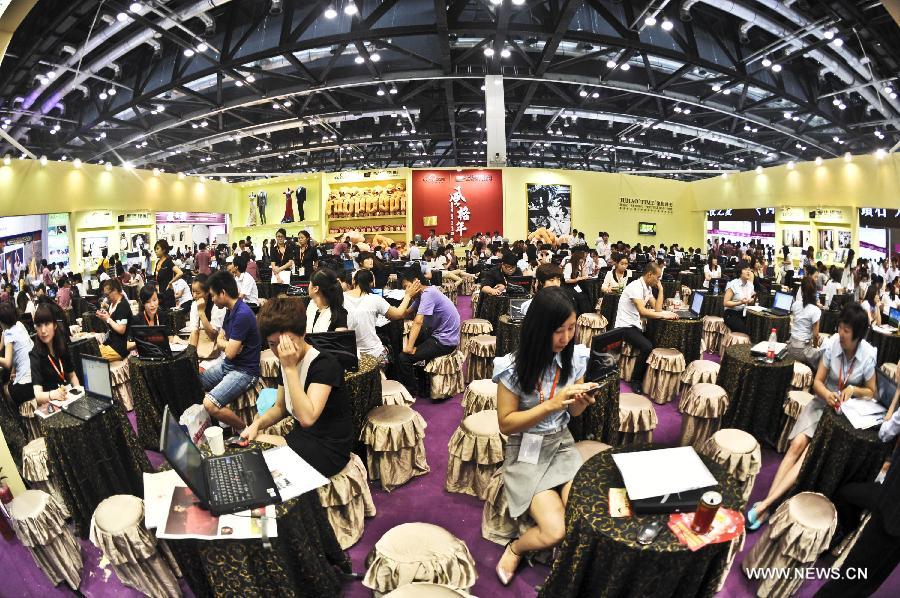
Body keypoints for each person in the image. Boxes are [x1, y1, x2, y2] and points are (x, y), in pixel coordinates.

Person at [493, 286, 598, 585]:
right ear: (539, 330)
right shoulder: (512, 368)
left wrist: (579, 403)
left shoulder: (574, 358)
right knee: (555, 531)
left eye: (571, 328)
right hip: (526, 451)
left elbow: (573, 415)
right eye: (558, 331)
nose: (565, 338)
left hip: (561, 445)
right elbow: (506, 424)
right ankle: (515, 548)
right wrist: (550, 404)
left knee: (583, 513)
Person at [747, 304, 877, 531]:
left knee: (808, 452)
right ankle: (769, 502)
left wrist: (854, 391)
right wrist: (827, 395)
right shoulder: (831, 345)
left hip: (844, 417)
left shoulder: (868, 355)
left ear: (858, 334)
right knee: (796, 444)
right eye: (840, 327)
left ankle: (765, 505)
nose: (840, 333)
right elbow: (817, 382)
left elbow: (871, 391)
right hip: (821, 404)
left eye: (846, 330)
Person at [241, 297, 353, 477]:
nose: (280, 350)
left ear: (303, 333)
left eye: (287, 341)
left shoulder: (324, 364)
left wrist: (290, 369)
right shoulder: (285, 361)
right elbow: (280, 407)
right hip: (303, 437)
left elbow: (307, 418)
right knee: (252, 447)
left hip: (329, 447)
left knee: (257, 456)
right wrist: (257, 424)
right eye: (272, 344)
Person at [200, 271, 261, 431]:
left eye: (213, 296)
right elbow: (220, 340)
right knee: (195, 383)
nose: (212, 300)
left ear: (223, 293)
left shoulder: (242, 314)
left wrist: (226, 344)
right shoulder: (230, 310)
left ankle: (245, 430)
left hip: (245, 371)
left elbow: (230, 353)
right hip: (229, 366)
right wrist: (226, 343)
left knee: (209, 404)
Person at [613, 262, 677, 390]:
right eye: (658, 277)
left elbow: (657, 309)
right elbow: (642, 311)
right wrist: (664, 315)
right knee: (647, 346)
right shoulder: (635, 287)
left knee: (655, 339)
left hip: (636, 324)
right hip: (624, 326)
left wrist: (661, 289)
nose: (658, 280)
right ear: (649, 275)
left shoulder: (647, 288)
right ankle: (635, 380)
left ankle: (650, 376)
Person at [397, 267, 461, 394]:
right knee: (414, 339)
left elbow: (418, 321)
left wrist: (409, 347)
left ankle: (410, 391)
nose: (406, 290)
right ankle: (423, 384)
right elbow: (406, 313)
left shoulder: (428, 294)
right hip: (439, 335)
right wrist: (407, 297)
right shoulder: (422, 294)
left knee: (404, 357)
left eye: (407, 286)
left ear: (416, 281)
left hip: (445, 341)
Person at [344, 269, 418, 362]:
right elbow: (398, 314)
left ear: (354, 281)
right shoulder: (375, 299)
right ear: (372, 283)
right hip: (373, 353)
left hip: (349, 354)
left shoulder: (340, 298)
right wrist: (408, 295)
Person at [29, 304, 80, 406]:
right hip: (51, 404)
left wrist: (79, 392)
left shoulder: (62, 345)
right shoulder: (35, 355)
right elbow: (37, 395)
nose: (43, 331)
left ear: (55, 325)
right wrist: (53, 394)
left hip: (67, 398)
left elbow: (72, 375)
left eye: (47, 324)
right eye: (39, 326)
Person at [0, 302, 34, 406]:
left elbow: (7, 363)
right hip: (38, 375)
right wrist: (13, 373)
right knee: (9, 379)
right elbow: (18, 353)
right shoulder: (19, 325)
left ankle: (15, 418)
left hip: (28, 385)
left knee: (5, 389)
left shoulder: (9, 334)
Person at [786, 277, 822, 368]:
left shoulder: (795, 305)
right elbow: (815, 336)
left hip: (790, 346)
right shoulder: (816, 310)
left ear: (801, 290)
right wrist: (815, 347)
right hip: (803, 350)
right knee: (825, 356)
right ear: (815, 293)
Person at [96, 279, 132, 361]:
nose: (107, 297)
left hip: (119, 348)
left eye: (107, 295)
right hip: (111, 343)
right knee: (91, 350)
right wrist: (104, 318)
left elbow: (121, 329)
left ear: (115, 290)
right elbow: (111, 326)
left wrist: (108, 318)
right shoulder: (112, 304)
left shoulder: (123, 305)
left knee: (93, 356)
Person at [187, 275, 226, 348]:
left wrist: (201, 313)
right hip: (202, 345)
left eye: (198, 293)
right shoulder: (195, 304)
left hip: (217, 347)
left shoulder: (217, 305)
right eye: (193, 291)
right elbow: (194, 331)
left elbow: (213, 335)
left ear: (207, 292)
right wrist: (192, 354)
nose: (194, 296)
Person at [722, 264, 757, 334]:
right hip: (731, 314)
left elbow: (752, 300)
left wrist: (752, 301)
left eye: (749, 270)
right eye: (746, 269)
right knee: (745, 331)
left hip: (745, 313)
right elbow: (725, 303)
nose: (748, 272)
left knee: (756, 328)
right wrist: (740, 302)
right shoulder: (733, 284)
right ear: (740, 272)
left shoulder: (750, 285)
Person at [153, 239, 183, 310]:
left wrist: (170, 282)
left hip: (168, 294)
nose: (155, 251)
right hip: (160, 294)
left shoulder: (168, 261)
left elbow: (180, 273)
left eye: (157, 249)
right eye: (155, 249)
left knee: (168, 316)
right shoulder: (158, 262)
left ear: (163, 250)